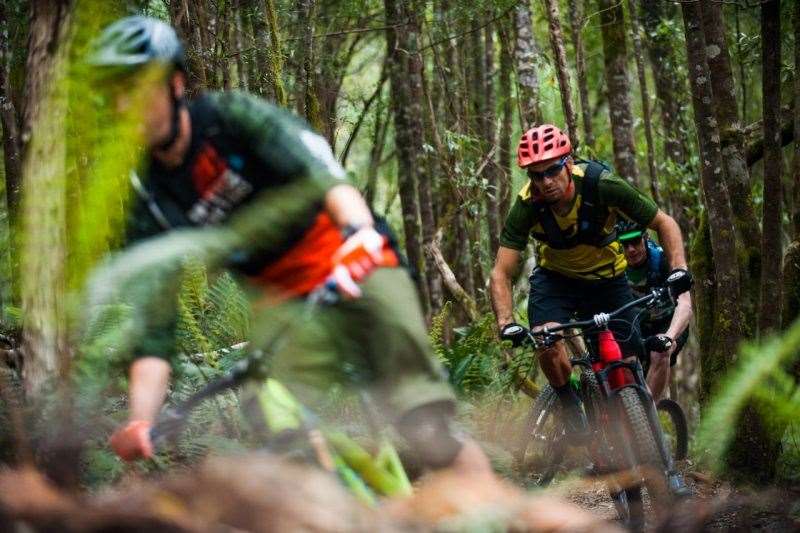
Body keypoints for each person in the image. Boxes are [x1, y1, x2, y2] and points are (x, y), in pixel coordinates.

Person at [90, 16, 493, 478]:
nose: (125, 106)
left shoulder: (230, 120)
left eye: (137, 89)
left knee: (428, 430)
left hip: (349, 258)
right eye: (113, 94)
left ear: (175, 84)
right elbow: (153, 330)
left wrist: (359, 234)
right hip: (281, 300)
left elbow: (322, 174)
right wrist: (140, 422)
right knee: (280, 433)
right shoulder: (148, 196)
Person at [489, 124, 691, 495]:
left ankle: (665, 469)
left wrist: (678, 269)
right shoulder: (526, 205)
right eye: (536, 175)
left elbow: (664, 223)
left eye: (552, 170)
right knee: (547, 343)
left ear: (568, 163)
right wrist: (506, 322)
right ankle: (570, 405)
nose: (545, 181)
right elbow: (502, 272)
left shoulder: (602, 184)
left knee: (631, 370)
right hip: (556, 282)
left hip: (609, 282)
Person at [616, 221, 692, 402]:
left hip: (668, 322)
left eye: (635, 242)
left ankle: (647, 419)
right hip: (637, 323)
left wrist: (669, 337)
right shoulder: (616, 266)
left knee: (660, 353)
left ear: (645, 238)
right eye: (625, 245)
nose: (631, 249)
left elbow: (685, 305)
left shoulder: (663, 260)